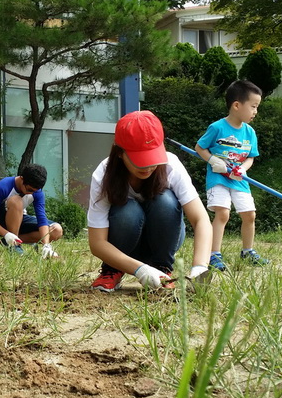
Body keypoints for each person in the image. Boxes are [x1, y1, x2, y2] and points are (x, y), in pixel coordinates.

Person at [87, 110, 211, 292]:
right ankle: (112, 270)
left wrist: (200, 268)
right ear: (120, 153)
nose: (148, 166)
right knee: (127, 210)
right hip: (124, 246)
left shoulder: (171, 166)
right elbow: (97, 243)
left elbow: (201, 220)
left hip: (164, 241)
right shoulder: (103, 175)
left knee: (166, 200)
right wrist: (140, 270)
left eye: (152, 157)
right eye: (140, 159)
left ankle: (162, 268)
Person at [195, 80, 269, 271]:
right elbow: (199, 147)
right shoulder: (217, 127)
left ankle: (248, 251)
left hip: (239, 180)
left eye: (257, 107)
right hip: (218, 178)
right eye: (253, 106)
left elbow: (250, 157)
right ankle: (213, 254)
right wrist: (213, 161)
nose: (255, 111)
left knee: (250, 215)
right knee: (223, 213)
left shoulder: (250, 132)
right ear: (237, 105)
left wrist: (243, 168)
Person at [0, 164, 63, 258]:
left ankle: (8, 241)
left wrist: (46, 245)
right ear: (22, 178)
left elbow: (42, 219)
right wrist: (6, 233)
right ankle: (14, 245)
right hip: (1, 222)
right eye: (29, 189)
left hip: (20, 219)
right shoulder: (3, 186)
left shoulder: (37, 192)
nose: (31, 193)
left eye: (35, 191)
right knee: (16, 201)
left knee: (56, 230)